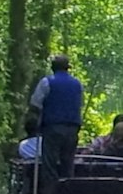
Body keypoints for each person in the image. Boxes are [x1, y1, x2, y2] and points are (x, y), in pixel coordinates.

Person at [28, 54, 84, 186]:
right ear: (67, 68)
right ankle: (67, 191)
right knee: (68, 163)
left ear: (52, 68)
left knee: (50, 163)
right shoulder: (77, 84)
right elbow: (79, 104)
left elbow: (35, 104)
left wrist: (35, 120)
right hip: (72, 128)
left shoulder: (47, 82)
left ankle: (51, 192)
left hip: (53, 128)